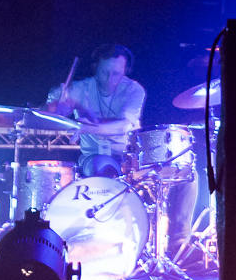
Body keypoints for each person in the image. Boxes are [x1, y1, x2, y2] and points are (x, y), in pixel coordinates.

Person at [47, 43, 197, 255]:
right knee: (102, 165)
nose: (110, 79)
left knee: (188, 176)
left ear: (125, 71)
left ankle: (179, 244)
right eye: (104, 72)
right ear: (95, 68)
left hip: (130, 158)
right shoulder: (81, 89)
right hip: (95, 157)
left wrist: (85, 127)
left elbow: (125, 125)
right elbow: (52, 116)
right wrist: (54, 101)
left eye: (116, 73)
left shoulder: (134, 90)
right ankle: (102, 246)